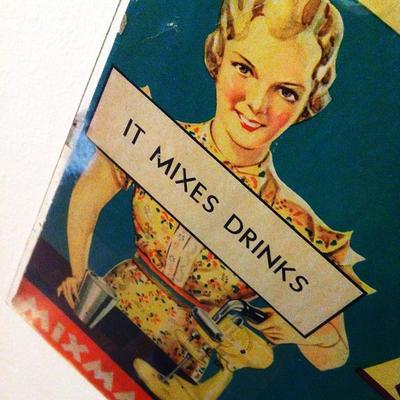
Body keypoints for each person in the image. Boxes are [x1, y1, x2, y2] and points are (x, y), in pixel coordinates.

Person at [58, 0, 373, 387]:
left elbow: (334, 353)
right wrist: (78, 274)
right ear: (219, 56)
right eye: (245, 69)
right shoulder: (160, 135)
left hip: (175, 372)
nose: (256, 103)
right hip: (99, 317)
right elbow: (88, 192)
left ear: (310, 102)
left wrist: (297, 335)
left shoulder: (295, 219)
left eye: (286, 92)